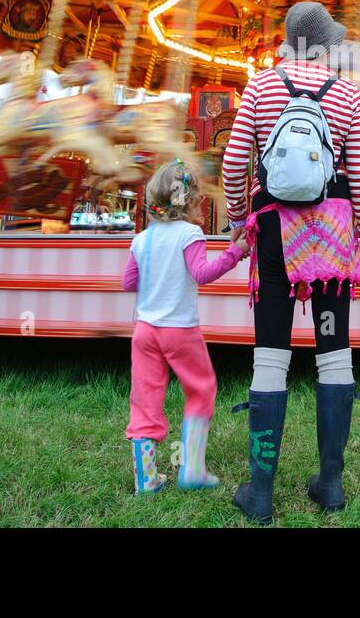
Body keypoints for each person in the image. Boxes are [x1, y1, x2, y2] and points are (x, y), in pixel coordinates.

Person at [221, 1, 360, 524]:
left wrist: (242, 217)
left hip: (273, 232)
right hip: (331, 238)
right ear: (326, 44)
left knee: (271, 352)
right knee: (335, 351)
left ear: (289, 38)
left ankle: (260, 490)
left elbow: (233, 159)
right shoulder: (348, 94)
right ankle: (329, 484)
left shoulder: (261, 86)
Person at [121, 159, 247, 494]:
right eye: (199, 202)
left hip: (145, 331)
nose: (201, 209)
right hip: (180, 330)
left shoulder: (142, 240)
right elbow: (202, 273)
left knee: (145, 398)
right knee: (200, 389)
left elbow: (128, 282)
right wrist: (235, 252)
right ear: (188, 202)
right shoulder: (189, 235)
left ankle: (146, 480)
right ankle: (191, 468)